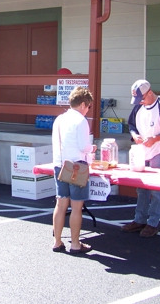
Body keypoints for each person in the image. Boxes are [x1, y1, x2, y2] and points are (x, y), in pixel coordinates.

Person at [121, 80, 160, 238]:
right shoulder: (139, 107)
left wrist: (156, 138)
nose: (140, 101)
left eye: (142, 98)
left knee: (156, 190)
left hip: (159, 151)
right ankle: (139, 219)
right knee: (141, 188)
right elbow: (131, 125)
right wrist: (135, 135)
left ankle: (153, 222)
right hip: (142, 152)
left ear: (150, 92)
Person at [51, 86, 96, 254]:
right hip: (77, 165)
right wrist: (92, 148)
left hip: (60, 164)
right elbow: (84, 146)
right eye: (89, 106)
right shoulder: (81, 121)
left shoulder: (59, 119)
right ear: (83, 104)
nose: (88, 110)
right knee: (77, 207)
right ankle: (75, 243)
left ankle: (57, 241)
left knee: (60, 204)